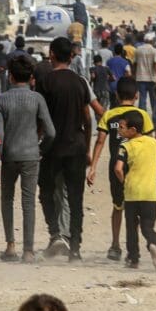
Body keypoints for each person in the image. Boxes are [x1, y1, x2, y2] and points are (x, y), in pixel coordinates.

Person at [0, 56, 56, 263]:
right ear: (31, 78)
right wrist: (41, 150)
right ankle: (28, 250)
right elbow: (51, 132)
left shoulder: (2, 100)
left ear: (10, 76)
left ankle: (10, 246)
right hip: (31, 155)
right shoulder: (37, 99)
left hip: (9, 155)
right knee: (28, 202)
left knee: (7, 199)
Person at [35, 38, 92, 261]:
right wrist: (87, 147)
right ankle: (75, 247)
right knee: (76, 199)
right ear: (71, 57)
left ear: (51, 55)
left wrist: (37, 142)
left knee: (46, 192)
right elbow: (88, 119)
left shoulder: (46, 81)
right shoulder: (80, 82)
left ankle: (55, 234)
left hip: (52, 149)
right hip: (76, 146)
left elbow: (41, 117)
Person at [86, 77, 154, 262]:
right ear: (137, 95)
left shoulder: (109, 115)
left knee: (118, 206)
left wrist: (92, 168)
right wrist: (154, 166)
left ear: (116, 95)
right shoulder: (143, 115)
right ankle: (135, 247)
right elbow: (151, 142)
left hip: (116, 167)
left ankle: (115, 245)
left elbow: (100, 141)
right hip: (138, 168)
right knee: (137, 207)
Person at [115, 111, 156, 269]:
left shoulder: (125, 146)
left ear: (132, 130)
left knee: (131, 228)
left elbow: (118, 169)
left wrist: (124, 181)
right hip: (150, 195)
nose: (119, 130)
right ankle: (152, 244)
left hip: (132, 194)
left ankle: (133, 259)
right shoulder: (152, 142)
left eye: (122, 127)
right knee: (147, 226)